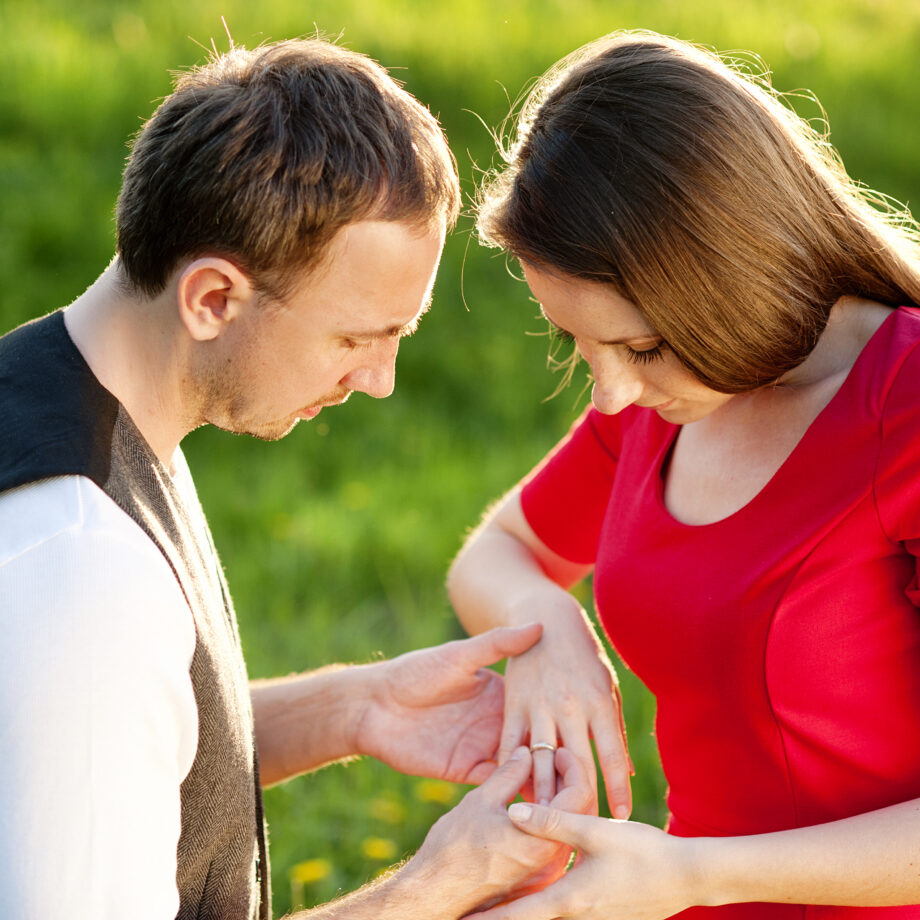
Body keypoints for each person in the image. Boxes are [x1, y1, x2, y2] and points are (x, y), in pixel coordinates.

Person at [0, 38, 592, 920]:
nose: (380, 379)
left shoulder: (78, 400)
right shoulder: (81, 567)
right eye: (355, 337)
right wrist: (441, 886)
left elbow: (104, 744)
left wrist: (359, 707)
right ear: (211, 298)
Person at [447, 30, 920, 920]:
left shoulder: (906, 409)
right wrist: (546, 625)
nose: (613, 393)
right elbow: (495, 551)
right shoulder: (664, 406)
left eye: (641, 347)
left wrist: (697, 873)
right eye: (577, 343)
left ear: (732, 269)